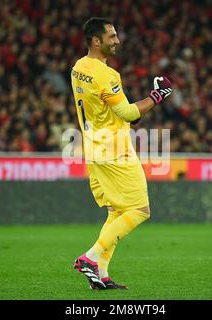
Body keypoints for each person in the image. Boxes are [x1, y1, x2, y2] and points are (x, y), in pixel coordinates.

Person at [70, 17, 172, 290]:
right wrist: (157, 96)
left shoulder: (78, 68)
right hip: (114, 148)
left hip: (92, 146)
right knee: (140, 210)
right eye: (112, 36)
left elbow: (120, 112)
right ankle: (90, 257)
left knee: (117, 211)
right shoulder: (107, 74)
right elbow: (127, 113)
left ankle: (101, 275)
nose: (117, 41)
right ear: (96, 40)